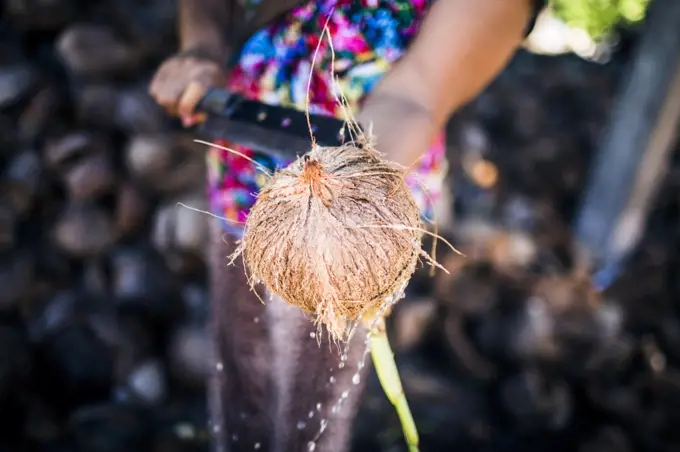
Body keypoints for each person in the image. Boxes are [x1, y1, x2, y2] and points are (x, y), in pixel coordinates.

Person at [150, 1, 544, 451]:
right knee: (242, 373)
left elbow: (414, 95)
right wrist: (202, 47)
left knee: (308, 406)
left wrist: (352, 190)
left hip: (355, 210)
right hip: (241, 174)